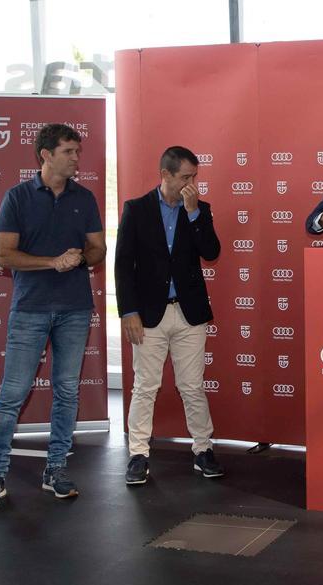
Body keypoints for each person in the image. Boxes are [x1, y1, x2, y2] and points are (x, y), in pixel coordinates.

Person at [0, 123, 106, 509]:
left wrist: (80, 257)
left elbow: (98, 248)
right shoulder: (17, 197)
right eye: (69, 152)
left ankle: (56, 469)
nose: (76, 158)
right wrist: (53, 262)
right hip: (30, 309)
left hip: (75, 309)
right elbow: (3, 255)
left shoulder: (85, 197)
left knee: (66, 391)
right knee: (12, 394)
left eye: (78, 152)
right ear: (45, 155)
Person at [115, 146, 224, 482]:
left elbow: (211, 251)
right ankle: (138, 454)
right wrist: (128, 311)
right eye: (185, 177)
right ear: (165, 175)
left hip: (189, 313)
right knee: (145, 386)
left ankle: (203, 449)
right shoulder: (137, 209)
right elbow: (123, 266)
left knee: (192, 385)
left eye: (195, 177)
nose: (192, 184)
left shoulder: (199, 209)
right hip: (148, 314)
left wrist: (193, 214)